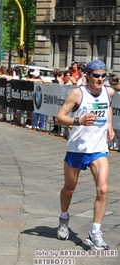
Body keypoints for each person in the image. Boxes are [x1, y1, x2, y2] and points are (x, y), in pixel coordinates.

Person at [55, 60, 114, 251]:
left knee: (103, 189)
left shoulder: (108, 91)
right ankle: (64, 217)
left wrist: (109, 125)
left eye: (103, 75)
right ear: (87, 75)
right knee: (69, 189)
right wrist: (78, 120)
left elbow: (109, 105)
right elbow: (59, 117)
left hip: (98, 148)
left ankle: (95, 232)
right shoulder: (77, 93)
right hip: (77, 148)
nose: (100, 78)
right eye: (96, 75)